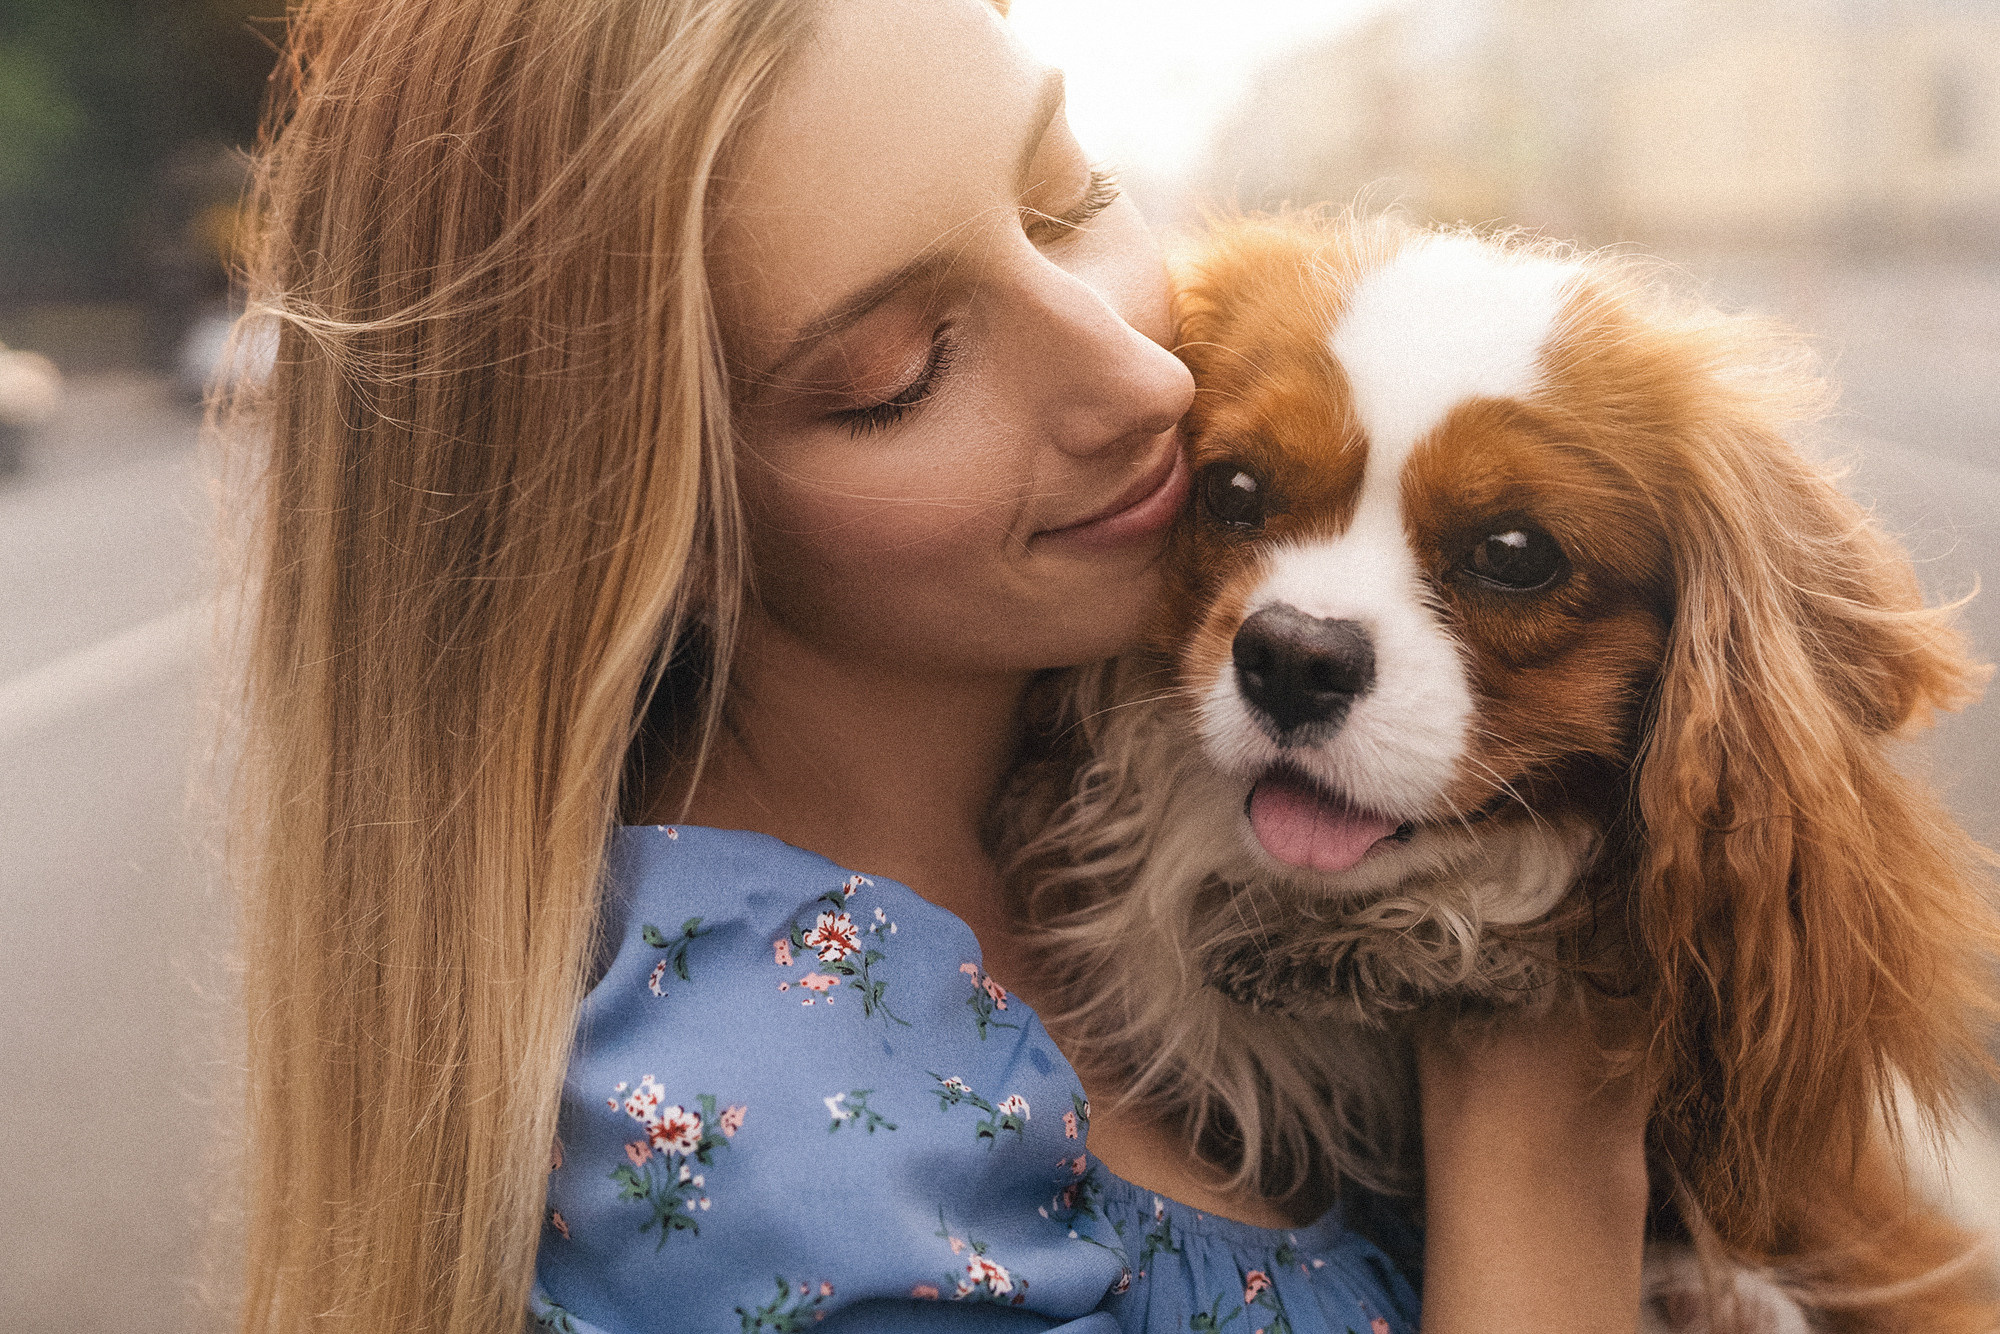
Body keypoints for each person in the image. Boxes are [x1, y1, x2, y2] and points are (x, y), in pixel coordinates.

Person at [223, 0, 1651, 1331]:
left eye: (1069, 200)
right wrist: (1544, 1145)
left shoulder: (1135, 735)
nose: (1147, 381)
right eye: (900, 371)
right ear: (642, 521)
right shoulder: (751, 1159)